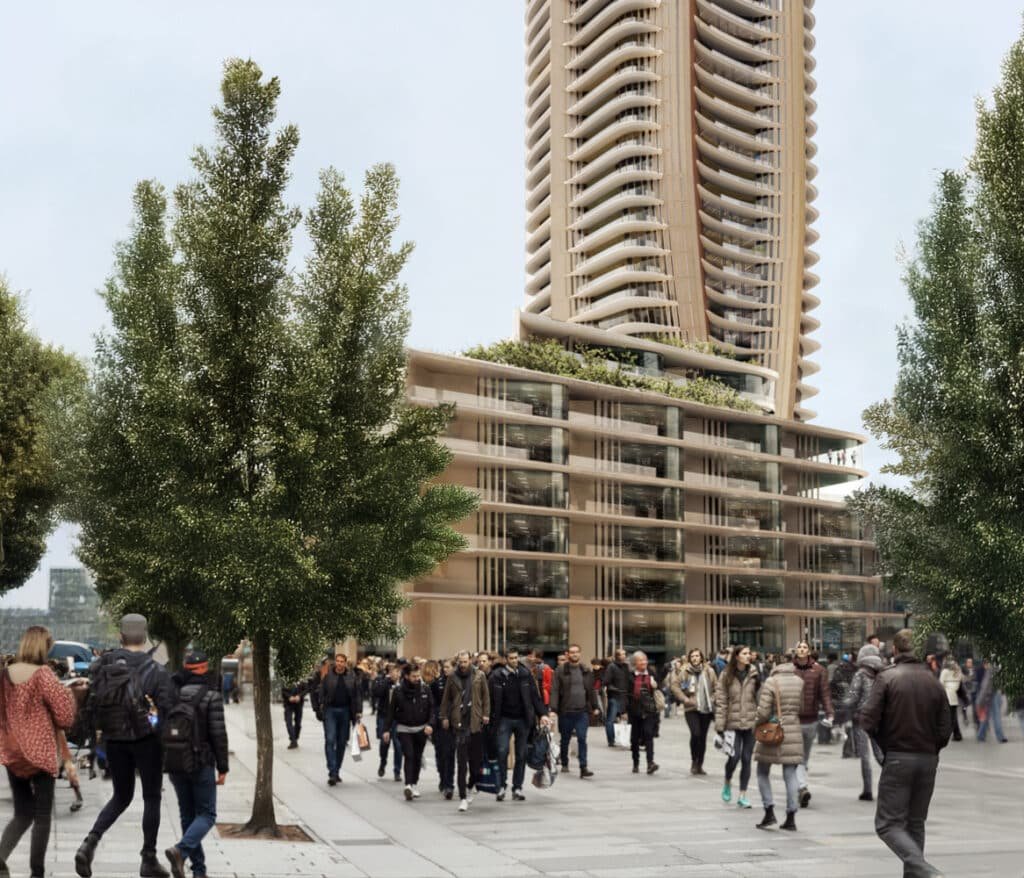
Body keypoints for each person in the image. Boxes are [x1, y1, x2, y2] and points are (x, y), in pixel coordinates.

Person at [75, 613, 175, 878]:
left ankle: (90, 842)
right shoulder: (154, 667)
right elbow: (167, 707)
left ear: (120, 636)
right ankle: (149, 859)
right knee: (151, 796)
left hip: (114, 740)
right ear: (144, 637)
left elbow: (93, 699)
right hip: (146, 741)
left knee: (121, 795)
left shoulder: (105, 663)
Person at [859, 629, 952, 878]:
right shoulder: (933, 680)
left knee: (887, 824)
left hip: (899, 756)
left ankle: (924, 870)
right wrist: (932, 749)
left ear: (895, 650)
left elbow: (867, 720)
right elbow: (946, 728)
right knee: (915, 822)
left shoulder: (888, 677)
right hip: (928, 759)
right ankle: (918, 874)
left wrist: (885, 749)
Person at [0, 626, 77, 878]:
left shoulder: (4, 675)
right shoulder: (43, 675)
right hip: (40, 755)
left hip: (13, 754)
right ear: (43, 647)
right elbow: (64, 717)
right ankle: (37, 873)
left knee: (22, 813)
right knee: (42, 815)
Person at [164, 651, 229, 878]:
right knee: (207, 814)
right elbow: (218, 734)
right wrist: (223, 767)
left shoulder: (173, 693)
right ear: (203, 669)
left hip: (175, 761)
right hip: (201, 761)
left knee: (187, 816)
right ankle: (180, 851)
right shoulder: (211, 695)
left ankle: (198, 870)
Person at [753, 657, 804, 832]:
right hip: (793, 731)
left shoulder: (771, 681)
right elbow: (802, 707)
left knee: (762, 771)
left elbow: (764, 711)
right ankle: (791, 817)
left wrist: (756, 722)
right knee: (790, 774)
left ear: (776, 666)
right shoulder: (799, 681)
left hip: (773, 731)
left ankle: (769, 811)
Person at [491, 648, 548, 800]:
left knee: (521, 755)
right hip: (504, 719)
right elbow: (491, 700)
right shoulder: (497, 676)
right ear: (505, 659)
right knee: (502, 752)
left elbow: (535, 697)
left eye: (516, 658)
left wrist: (542, 714)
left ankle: (517, 788)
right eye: (511, 658)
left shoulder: (525, 674)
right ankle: (501, 786)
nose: (514, 661)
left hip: (523, 719)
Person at [440, 651, 490, 812]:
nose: (463, 664)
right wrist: (444, 717)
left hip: (475, 723)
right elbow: (445, 699)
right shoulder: (452, 677)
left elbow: (486, 697)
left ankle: (470, 786)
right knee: (461, 764)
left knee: (476, 765)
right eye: (460, 662)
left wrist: (486, 714)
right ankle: (462, 797)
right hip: (459, 724)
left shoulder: (479, 675)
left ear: (470, 661)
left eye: (465, 661)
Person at [714, 644, 759, 808]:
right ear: (737, 656)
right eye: (745, 653)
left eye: (749, 653)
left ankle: (743, 795)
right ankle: (727, 781)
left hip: (750, 722)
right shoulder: (726, 675)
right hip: (732, 723)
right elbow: (721, 701)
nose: (749, 656)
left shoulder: (755, 673)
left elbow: (759, 697)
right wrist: (720, 725)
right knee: (734, 757)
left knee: (747, 759)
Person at [791, 640, 834, 808]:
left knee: (804, 757)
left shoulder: (818, 671)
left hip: (811, 720)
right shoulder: (789, 670)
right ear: (795, 651)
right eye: (799, 647)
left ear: (809, 651)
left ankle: (800, 785)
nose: (801, 649)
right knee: (797, 756)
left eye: (804, 647)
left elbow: (825, 694)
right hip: (793, 720)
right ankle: (802, 787)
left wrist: (830, 714)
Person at [310, 651, 362, 786]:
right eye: (337, 661)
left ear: (345, 663)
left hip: (345, 711)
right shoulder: (327, 674)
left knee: (341, 742)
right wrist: (318, 708)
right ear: (335, 662)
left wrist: (358, 711)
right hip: (330, 711)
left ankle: (336, 770)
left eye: (342, 661)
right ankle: (332, 771)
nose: (339, 663)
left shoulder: (351, 675)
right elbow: (317, 691)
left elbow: (357, 694)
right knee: (330, 739)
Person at [549, 644, 600, 779]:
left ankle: (583, 767)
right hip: (566, 711)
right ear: (568, 655)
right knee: (565, 739)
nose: (574, 654)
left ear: (580, 654)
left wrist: (595, 706)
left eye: (577, 652)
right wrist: (553, 709)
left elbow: (591, 690)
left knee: (582, 739)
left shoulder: (586, 670)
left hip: (582, 711)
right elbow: (554, 690)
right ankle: (565, 761)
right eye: (572, 652)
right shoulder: (560, 670)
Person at [383, 664, 433, 801]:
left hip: (421, 729)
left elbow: (432, 709)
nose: (417, 678)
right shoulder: (398, 691)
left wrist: (430, 724)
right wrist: (386, 729)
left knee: (417, 757)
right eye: (414, 676)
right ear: (406, 676)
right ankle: (408, 785)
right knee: (409, 755)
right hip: (404, 729)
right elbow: (391, 712)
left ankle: (414, 783)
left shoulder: (425, 690)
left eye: (418, 676)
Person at [843, 644, 885, 801]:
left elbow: (852, 696)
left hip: (861, 718)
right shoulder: (882, 674)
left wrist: (844, 702)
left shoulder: (860, 674)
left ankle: (867, 790)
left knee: (864, 755)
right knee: (880, 753)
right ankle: (894, 782)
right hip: (878, 718)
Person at [672, 648, 717, 775]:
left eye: (697, 656)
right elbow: (675, 686)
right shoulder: (684, 672)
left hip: (706, 708)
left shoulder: (709, 671)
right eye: (692, 656)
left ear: (701, 657)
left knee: (702, 738)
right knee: (695, 733)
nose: (695, 658)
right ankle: (693, 761)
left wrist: (713, 699)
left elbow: (717, 687)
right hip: (691, 709)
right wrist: (685, 699)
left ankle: (699, 764)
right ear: (689, 659)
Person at [626, 651, 660, 775]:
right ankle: (636, 763)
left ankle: (650, 763)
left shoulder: (651, 673)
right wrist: (625, 709)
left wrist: (655, 685)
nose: (644, 662)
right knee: (634, 738)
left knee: (648, 734)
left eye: (645, 660)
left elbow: (658, 689)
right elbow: (627, 692)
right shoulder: (630, 675)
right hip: (634, 710)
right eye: (641, 660)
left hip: (649, 709)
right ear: (635, 662)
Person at [427, 659, 454, 798]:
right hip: (440, 723)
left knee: (450, 754)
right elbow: (432, 705)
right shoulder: (436, 684)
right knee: (440, 753)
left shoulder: (459, 682)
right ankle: (443, 778)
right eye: (444, 667)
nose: (446, 670)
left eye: (448, 667)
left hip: (455, 724)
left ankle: (449, 784)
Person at [371, 663, 404, 780]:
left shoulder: (403, 684)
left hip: (398, 718)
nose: (395, 674)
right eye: (393, 672)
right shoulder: (383, 681)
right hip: (384, 716)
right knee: (384, 743)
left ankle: (397, 771)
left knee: (398, 745)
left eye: (397, 672)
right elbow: (376, 693)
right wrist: (386, 681)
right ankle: (383, 762)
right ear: (389, 673)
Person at [974, 659, 1008, 743]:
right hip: (994, 695)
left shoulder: (991, 670)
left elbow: (984, 686)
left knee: (987, 716)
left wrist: (980, 700)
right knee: (995, 716)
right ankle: (999, 737)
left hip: (989, 696)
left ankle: (980, 735)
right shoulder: (998, 670)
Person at [602, 648, 630, 747]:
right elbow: (605, 682)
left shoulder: (627, 667)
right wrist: (615, 689)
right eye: (621, 654)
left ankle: (627, 738)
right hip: (615, 697)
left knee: (629, 719)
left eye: (624, 654)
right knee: (610, 719)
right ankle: (611, 740)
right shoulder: (611, 667)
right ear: (616, 656)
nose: (623, 656)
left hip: (626, 696)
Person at [938, 656, 963, 743]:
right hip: (954, 697)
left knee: (949, 717)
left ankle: (954, 734)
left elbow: (940, 683)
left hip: (947, 696)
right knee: (953, 717)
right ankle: (957, 733)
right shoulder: (958, 671)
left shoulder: (945, 671)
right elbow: (959, 682)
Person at [281, 678, 306, 749]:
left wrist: (299, 696)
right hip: (288, 703)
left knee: (298, 723)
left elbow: (306, 689)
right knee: (288, 722)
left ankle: (295, 738)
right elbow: (283, 690)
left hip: (299, 703)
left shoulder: (302, 677)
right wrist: (289, 697)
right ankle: (293, 740)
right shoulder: (286, 677)